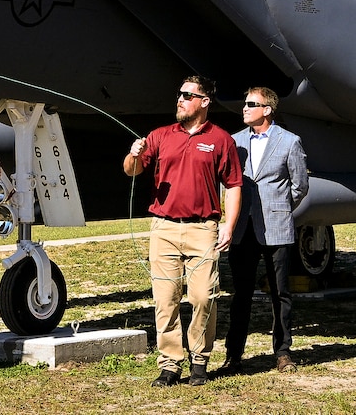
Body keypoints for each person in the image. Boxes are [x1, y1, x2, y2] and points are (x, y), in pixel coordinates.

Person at [123, 75, 242, 387]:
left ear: (204, 102)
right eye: (179, 94)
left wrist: (229, 224)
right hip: (163, 229)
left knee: (203, 296)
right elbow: (132, 170)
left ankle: (200, 359)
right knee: (166, 300)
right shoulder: (160, 135)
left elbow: (233, 185)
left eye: (188, 95)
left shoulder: (221, 140)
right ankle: (170, 364)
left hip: (203, 229)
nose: (180, 99)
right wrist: (134, 154)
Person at [219, 86, 309, 376]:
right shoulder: (235, 142)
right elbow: (227, 182)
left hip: (276, 227)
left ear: (267, 109)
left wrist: (280, 208)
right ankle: (234, 355)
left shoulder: (290, 141)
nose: (243, 108)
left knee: (280, 293)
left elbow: (300, 186)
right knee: (240, 294)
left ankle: (283, 352)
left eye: (250, 104)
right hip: (243, 228)